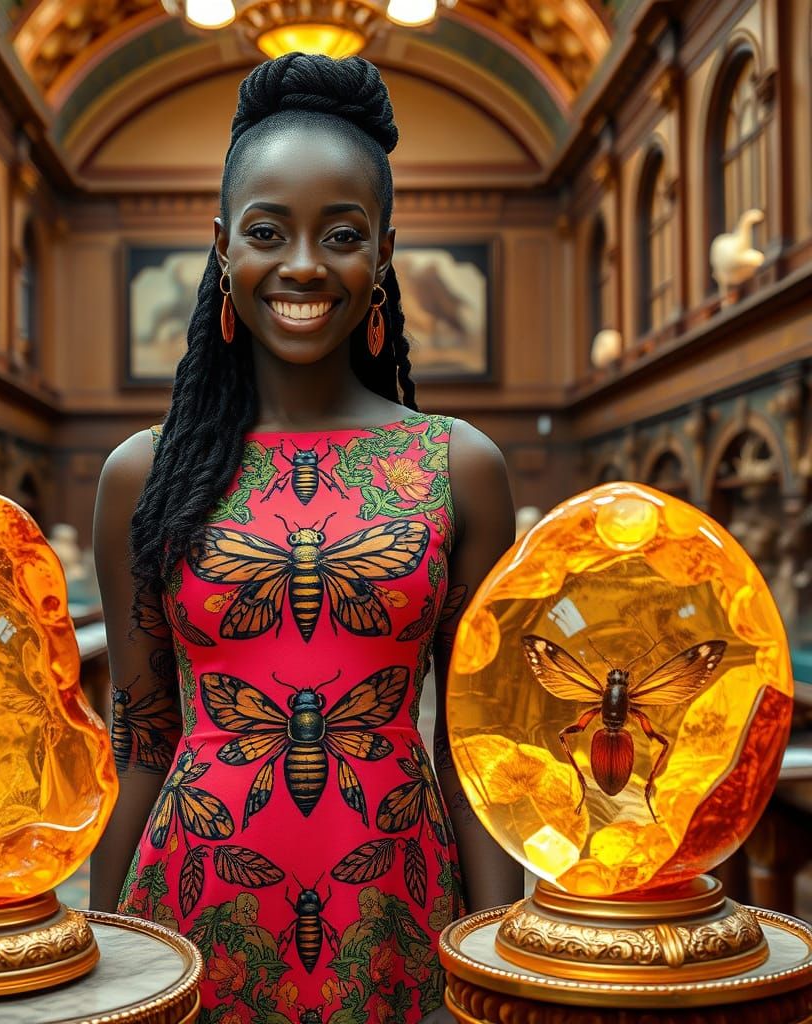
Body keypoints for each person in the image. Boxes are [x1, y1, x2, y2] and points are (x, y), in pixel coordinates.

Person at [91, 53, 522, 1023]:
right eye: (265, 231)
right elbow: (144, 744)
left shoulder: (461, 466)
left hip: (400, 912)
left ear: (382, 254)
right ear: (220, 248)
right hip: (191, 907)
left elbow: (468, 751)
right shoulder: (142, 474)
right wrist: (102, 949)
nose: (300, 264)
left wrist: (499, 973)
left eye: (339, 234)